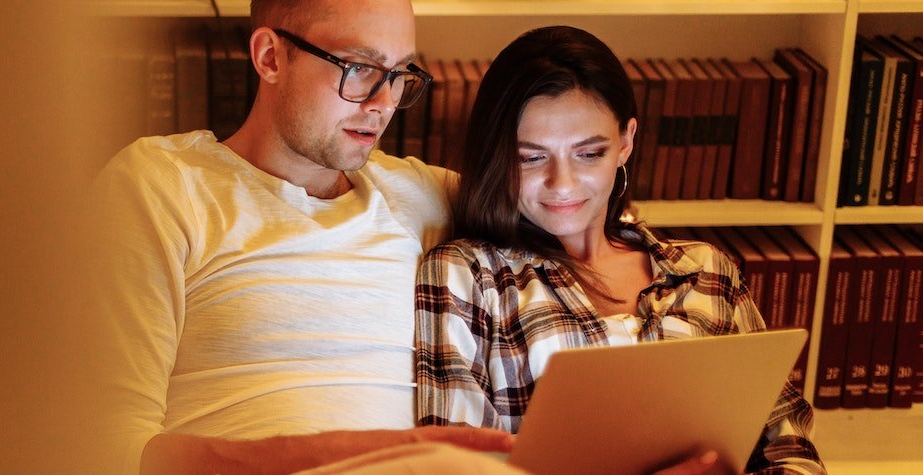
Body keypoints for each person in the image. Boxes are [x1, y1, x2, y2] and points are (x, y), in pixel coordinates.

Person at [85, 1, 518, 473]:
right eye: (359, 68)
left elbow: (570, 218)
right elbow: (109, 444)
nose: (384, 103)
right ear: (270, 57)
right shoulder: (163, 185)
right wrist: (335, 454)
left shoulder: (425, 194)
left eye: (398, 74)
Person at [413, 26, 826, 474]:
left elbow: (792, 451)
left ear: (626, 142)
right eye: (531, 157)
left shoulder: (706, 271)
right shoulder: (466, 276)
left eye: (589, 153)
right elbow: (451, 464)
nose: (563, 184)